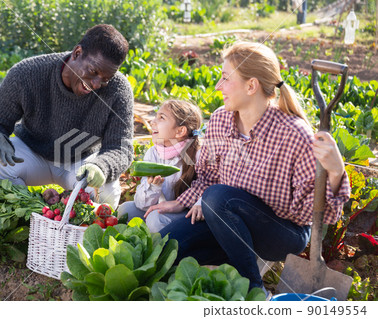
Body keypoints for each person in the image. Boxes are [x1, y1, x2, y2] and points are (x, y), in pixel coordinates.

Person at [148, 41, 351, 291]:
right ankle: (224, 269)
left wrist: (335, 171)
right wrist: (180, 203)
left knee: (218, 198)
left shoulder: (293, 133)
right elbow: (209, 177)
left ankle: (255, 290)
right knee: (166, 249)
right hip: (226, 222)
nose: (218, 86)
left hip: (281, 233)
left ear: (251, 85)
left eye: (225, 78)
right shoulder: (221, 119)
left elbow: (317, 214)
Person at [0, 24, 134, 209]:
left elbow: (121, 147)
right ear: (77, 53)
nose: (97, 84)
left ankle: (70, 225)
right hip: (33, 153)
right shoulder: (27, 73)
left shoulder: (119, 90)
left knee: (106, 192)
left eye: (105, 79)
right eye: (93, 72)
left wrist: (101, 166)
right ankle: (32, 210)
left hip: (80, 162)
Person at [118, 99, 203, 233]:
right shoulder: (153, 153)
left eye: (161, 118)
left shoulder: (197, 155)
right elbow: (142, 205)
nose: (152, 122)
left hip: (189, 216)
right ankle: (144, 241)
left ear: (180, 131)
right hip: (163, 210)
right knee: (126, 210)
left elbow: (208, 187)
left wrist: (188, 203)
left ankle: (169, 249)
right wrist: (153, 187)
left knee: (155, 219)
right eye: (155, 117)